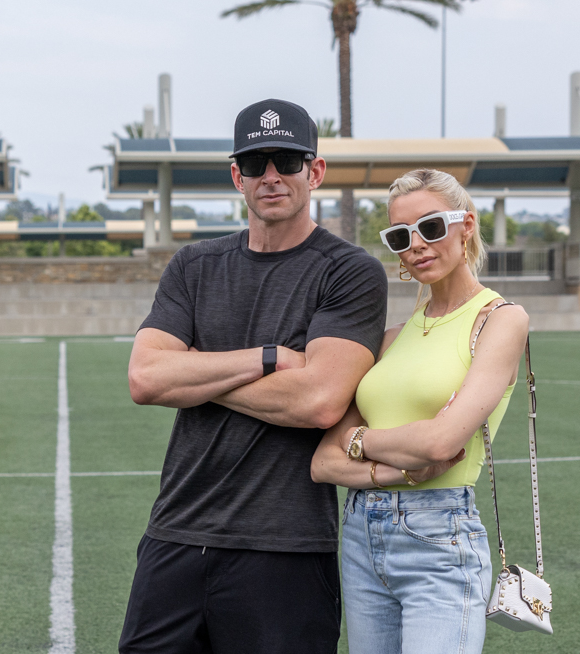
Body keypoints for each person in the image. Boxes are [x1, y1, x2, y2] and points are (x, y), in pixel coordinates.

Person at [119, 99, 389, 653]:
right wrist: (269, 357)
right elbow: (146, 379)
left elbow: (318, 401)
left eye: (287, 161)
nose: (271, 176)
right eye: (256, 162)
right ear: (236, 175)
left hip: (284, 547)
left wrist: (196, 369)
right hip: (176, 531)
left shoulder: (348, 272)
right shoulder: (194, 266)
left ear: (313, 172)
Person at [311, 168, 528, 654]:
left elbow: (441, 444)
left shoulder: (501, 319)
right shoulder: (390, 337)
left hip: (440, 538)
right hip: (362, 533)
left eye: (431, 227)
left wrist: (361, 442)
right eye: (400, 235)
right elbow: (323, 462)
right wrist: (398, 469)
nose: (416, 245)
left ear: (466, 225)